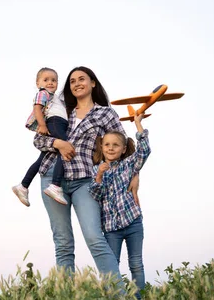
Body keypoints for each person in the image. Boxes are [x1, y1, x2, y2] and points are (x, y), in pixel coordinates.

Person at [33, 66, 139, 284]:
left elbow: (124, 144)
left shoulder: (105, 113)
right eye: (72, 81)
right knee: (63, 242)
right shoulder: (59, 109)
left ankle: (117, 293)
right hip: (52, 177)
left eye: (82, 79)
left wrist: (134, 174)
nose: (77, 83)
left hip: (85, 180)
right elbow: (38, 140)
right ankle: (66, 294)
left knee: (94, 237)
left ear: (92, 83)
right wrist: (59, 143)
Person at [89, 113, 150, 298]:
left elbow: (144, 151)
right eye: (107, 144)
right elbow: (95, 195)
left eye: (115, 145)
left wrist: (138, 125)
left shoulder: (128, 165)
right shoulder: (95, 169)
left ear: (123, 149)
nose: (110, 148)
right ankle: (114, 296)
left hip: (132, 223)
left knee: (136, 263)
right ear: (102, 147)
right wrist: (99, 175)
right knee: (112, 263)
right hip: (111, 228)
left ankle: (139, 297)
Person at [12, 67, 68, 206]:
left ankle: (23, 186)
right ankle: (55, 185)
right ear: (38, 83)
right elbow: (37, 108)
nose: (50, 82)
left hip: (58, 123)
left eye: (54, 80)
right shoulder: (43, 93)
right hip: (54, 122)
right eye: (46, 80)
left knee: (42, 159)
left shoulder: (56, 98)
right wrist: (42, 125)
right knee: (65, 148)